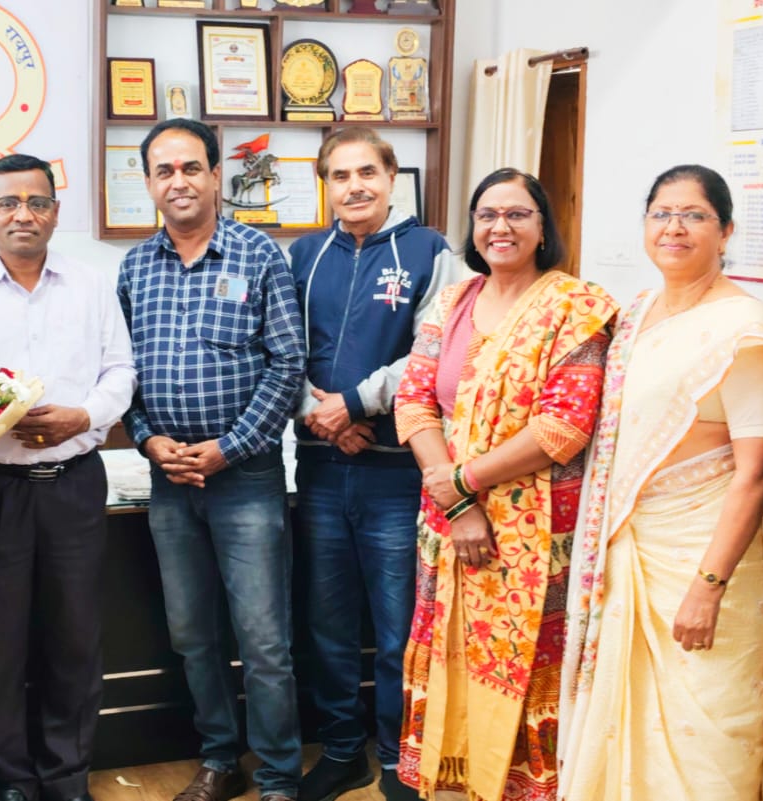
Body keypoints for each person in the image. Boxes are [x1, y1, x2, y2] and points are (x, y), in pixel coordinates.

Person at [558, 165, 763, 800]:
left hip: (706, 558)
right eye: (661, 214)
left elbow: (758, 470)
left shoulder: (744, 329)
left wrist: (707, 588)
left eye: (694, 215)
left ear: (726, 231)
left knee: (709, 734)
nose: (674, 228)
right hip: (632, 549)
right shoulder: (637, 314)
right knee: (628, 724)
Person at [0, 154, 135, 801]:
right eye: (8, 203)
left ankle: (67, 776)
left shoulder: (91, 285)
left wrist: (82, 417)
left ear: (55, 214)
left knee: (75, 638)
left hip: (74, 482)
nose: (23, 215)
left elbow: (120, 372)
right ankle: (10, 778)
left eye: (37, 203)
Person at [392, 168, 616, 801]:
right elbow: (413, 401)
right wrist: (457, 502)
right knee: (448, 651)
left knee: (527, 665)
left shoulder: (576, 307)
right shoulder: (453, 302)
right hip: (447, 525)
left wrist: (460, 481)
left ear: (543, 227)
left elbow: (562, 428)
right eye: (487, 215)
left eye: (518, 214)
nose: (501, 227)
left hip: (534, 536)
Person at [118, 118, 307, 801]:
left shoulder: (258, 256)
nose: (179, 181)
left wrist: (229, 448)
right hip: (170, 481)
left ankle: (279, 774)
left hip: (246, 478)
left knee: (263, 639)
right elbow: (121, 372)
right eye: (164, 171)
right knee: (192, 634)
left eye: (191, 167)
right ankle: (220, 758)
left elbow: (288, 364)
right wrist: (147, 438)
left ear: (215, 174)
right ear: (149, 183)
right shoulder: (135, 268)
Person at [286, 128, 450, 801]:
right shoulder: (303, 255)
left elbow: (433, 351)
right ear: (325, 184)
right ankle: (342, 751)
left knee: (396, 630)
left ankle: (397, 758)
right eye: (340, 175)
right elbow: (281, 348)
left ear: (390, 176)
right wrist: (318, 412)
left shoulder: (430, 251)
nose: (354, 186)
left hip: (396, 474)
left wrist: (355, 404)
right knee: (326, 625)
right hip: (321, 468)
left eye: (366, 173)